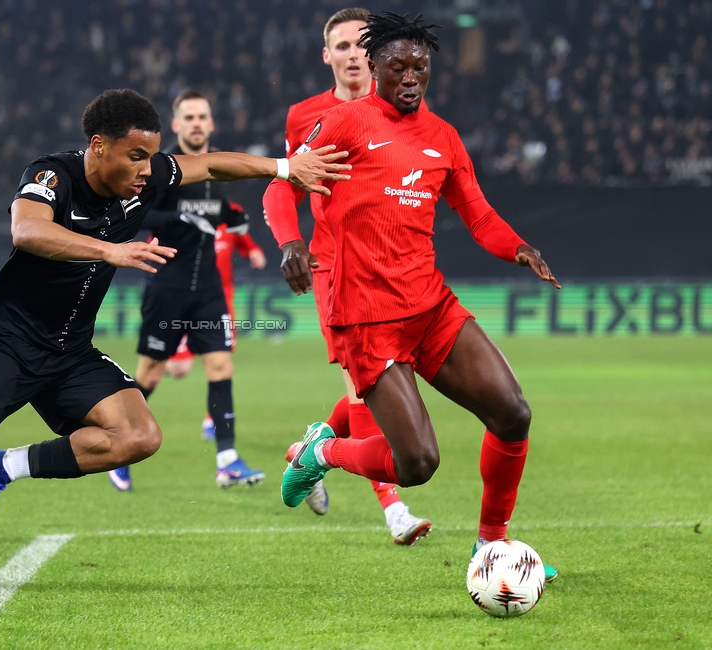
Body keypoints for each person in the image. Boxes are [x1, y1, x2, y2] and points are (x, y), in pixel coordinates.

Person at [0, 88, 350, 619]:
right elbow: (28, 233)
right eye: (133, 157)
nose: (144, 170)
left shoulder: (146, 175)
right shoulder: (50, 174)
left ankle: (3, 466)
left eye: (150, 159)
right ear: (98, 146)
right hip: (6, 343)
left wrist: (284, 167)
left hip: (69, 351)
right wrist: (112, 250)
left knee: (139, 436)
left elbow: (215, 165)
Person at [268, 12, 561, 582]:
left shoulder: (443, 137)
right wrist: (290, 243)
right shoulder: (346, 123)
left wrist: (518, 247)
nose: (409, 77)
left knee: (512, 413)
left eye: (419, 67)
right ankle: (319, 454)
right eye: (397, 66)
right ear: (373, 68)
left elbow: (477, 214)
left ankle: (490, 547)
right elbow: (284, 184)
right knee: (418, 464)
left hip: (430, 307)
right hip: (365, 318)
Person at [263, 7, 430, 541]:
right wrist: (289, 241)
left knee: (390, 382)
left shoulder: (407, 110)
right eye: (343, 46)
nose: (354, 54)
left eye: (363, 44)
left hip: (399, 270)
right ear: (328, 56)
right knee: (367, 389)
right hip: (336, 268)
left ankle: (310, 448)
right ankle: (393, 508)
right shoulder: (306, 115)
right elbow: (284, 185)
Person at [108, 91, 265, 492]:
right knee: (151, 372)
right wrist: (181, 215)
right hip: (168, 286)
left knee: (221, 367)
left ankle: (227, 460)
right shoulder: (162, 168)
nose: (196, 123)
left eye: (203, 116)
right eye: (188, 117)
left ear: (211, 124)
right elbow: (138, 213)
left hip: (208, 288)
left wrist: (232, 218)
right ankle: (120, 447)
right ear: (176, 125)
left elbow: (220, 215)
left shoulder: (219, 169)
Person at [163, 223, 268, 442]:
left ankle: (213, 421)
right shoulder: (181, 212)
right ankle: (157, 366)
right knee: (179, 369)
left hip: (220, 301)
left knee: (221, 362)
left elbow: (244, 240)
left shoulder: (228, 213)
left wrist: (254, 251)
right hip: (186, 300)